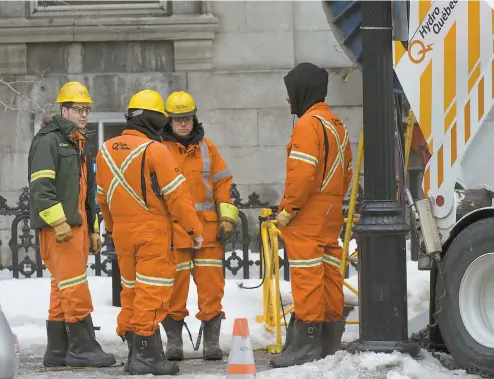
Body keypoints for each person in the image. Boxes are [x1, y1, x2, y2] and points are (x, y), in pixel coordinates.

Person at [95, 89, 204, 376]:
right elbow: (176, 196)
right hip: (152, 232)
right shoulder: (155, 150)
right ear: (152, 119)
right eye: (161, 118)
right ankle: (146, 356)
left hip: (122, 232)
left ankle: (134, 350)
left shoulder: (105, 149)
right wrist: (194, 229)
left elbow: (102, 197)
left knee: (130, 291)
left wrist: (110, 227)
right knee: (151, 292)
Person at [269, 63, 353, 368]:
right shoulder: (336, 123)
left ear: (302, 90)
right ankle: (329, 341)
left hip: (309, 212)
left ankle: (305, 346)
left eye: (290, 92)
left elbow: (302, 175)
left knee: (307, 277)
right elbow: (347, 172)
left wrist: (289, 210)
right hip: (331, 210)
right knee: (329, 273)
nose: (288, 99)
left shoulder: (307, 125)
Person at [27, 81, 115, 368]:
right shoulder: (48, 140)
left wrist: (92, 228)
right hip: (59, 229)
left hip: (75, 227)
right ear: (63, 110)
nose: (84, 114)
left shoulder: (78, 142)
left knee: (61, 287)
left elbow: (86, 192)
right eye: (78, 109)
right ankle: (83, 347)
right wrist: (59, 222)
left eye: (87, 109)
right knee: (74, 285)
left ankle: (57, 350)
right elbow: (41, 187)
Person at [160, 91, 238, 361]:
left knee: (212, 287)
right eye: (178, 119)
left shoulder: (207, 148)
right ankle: (174, 343)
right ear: (169, 121)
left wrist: (226, 217)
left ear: (194, 118)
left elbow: (223, 184)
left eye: (188, 118)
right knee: (174, 288)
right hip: (175, 231)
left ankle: (212, 343)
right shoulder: (158, 149)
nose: (183, 124)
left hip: (207, 232)